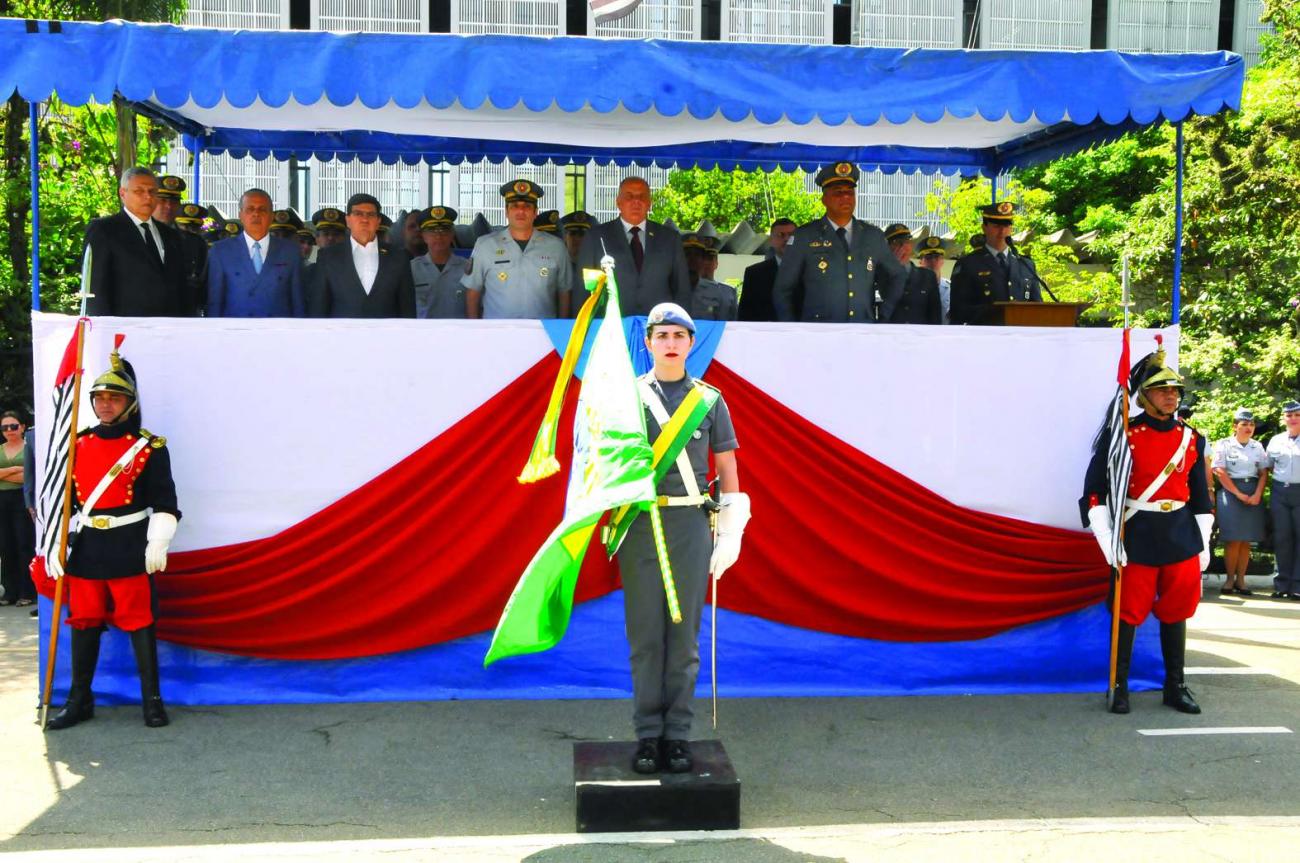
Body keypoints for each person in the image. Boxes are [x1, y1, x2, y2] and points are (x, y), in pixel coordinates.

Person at [619, 303, 750, 774]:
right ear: (648, 343)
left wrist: (732, 523)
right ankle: (647, 735)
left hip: (691, 525)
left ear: (691, 343)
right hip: (640, 525)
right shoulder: (628, 398)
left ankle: (678, 735)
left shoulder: (710, 401)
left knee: (684, 638)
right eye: (662, 335)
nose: (671, 343)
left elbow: (728, 466)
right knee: (646, 637)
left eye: (679, 335)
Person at [46, 345, 181, 730]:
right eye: (99, 398)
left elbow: (166, 500)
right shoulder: (77, 444)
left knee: (140, 621)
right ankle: (79, 700)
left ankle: (152, 701)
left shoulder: (150, 447)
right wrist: (57, 541)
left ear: (129, 403)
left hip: (128, 546)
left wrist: (158, 540)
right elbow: (64, 502)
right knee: (85, 620)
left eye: (114, 397)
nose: (105, 405)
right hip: (87, 547)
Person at [1082, 345, 1214, 714]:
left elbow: (1201, 497)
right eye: (1162, 390)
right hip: (1137, 533)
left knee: (1177, 611)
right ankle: (1119, 685)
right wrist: (1108, 539)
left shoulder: (1192, 437)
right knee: (1128, 613)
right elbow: (1095, 491)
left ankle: (1175, 685)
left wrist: (1202, 542)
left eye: (1175, 391)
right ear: (1144, 396)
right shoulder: (1123, 435)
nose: (1171, 396)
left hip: (1180, 534)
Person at [772, 162, 904, 323]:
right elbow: (782, 290)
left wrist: (883, 315)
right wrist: (793, 331)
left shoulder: (872, 236)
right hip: (819, 334)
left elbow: (898, 275)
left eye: (850, 192)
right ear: (824, 199)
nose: (846, 197)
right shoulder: (805, 236)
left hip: (862, 331)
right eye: (838, 192)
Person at [574, 177, 691, 316]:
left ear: (649, 203)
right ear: (618, 202)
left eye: (642, 196)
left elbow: (682, 290)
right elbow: (582, 290)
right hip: (609, 329)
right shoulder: (596, 237)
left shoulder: (670, 239)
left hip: (659, 329)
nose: (636, 201)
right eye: (629, 196)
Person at [84, 167, 191, 317]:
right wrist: (104, 331)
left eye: (152, 192)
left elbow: (181, 288)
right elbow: (96, 287)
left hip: (168, 329)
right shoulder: (105, 230)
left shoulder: (171, 235)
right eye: (139, 191)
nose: (147, 197)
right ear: (123, 193)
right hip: (126, 329)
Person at [462, 180, 572, 319]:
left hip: (542, 333)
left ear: (535, 212)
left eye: (527, 206)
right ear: (506, 211)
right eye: (514, 206)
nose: (521, 211)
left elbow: (564, 293)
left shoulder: (556, 247)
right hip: (497, 334)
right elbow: (473, 292)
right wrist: (476, 332)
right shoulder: (485, 245)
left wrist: (561, 332)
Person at [308, 193, 416, 318]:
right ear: (348, 220)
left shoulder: (398, 257)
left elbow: (407, 310)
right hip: (341, 336)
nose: (364, 219)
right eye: (358, 214)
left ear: (378, 221)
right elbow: (318, 308)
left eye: (370, 215)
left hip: (386, 335)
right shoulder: (328, 257)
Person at [207, 189, 306, 318]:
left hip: (278, 334)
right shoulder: (221, 251)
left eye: (262, 209)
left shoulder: (290, 252)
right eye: (250, 209)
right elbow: (215, 303)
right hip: (236, 333)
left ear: (271, 217)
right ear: (241, 216)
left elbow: (298, 303)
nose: (256, 214)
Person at [949, 201, 1041, 325]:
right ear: (984, 228)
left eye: (1006, 225)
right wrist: (995, 311)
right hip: (986, 336)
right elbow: (957, 311)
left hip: (1021, 337)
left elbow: (1038, 307)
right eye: (996, 226)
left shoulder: (1025, 264)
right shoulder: (968, 264)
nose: (1002, 231)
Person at [1213, 409, 1269, 596]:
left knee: (1245, 540)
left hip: (1252, 491)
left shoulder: (1257, 446)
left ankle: (1241, 580)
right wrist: (1238, 494)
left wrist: (1257, 494)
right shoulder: (1224, 444)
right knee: (1233, 539)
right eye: (1244, 424)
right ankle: (1229, 579)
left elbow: (1263, 473)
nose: (1248, 428)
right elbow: (1219, 471)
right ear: (1235, 426)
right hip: (1231, 492)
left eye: (1251, 424)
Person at [0, 411, 36, 608]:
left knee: (24, 545)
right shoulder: (0, 449)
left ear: (22, 427)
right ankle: (9, 591)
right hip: (2, 500)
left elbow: (28, 477)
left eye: (13, 426)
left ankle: (27, 592)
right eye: (5, 427)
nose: (9, 431)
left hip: (22, 500)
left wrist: (4, 473)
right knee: (5, 546)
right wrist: (17, 469)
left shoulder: (29, 448)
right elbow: (22, 473)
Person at [1266, 400, 1300, 601]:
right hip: (1280, 491)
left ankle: (1297, 585)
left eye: (1297, 415)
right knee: (1282, 538)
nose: (1293, 419)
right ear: (1284, 418)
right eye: (1289, 415)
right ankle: (1282, 584)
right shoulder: (1276, 441)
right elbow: (1268, 467)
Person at [410, 206, 468, 319]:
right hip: (423, 333)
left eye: (444, 231)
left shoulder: (467, 268)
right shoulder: (411, 269)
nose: (438, 236)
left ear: (452, 235)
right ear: (423, 236)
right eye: (432, 231)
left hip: (458, 333)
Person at [883, 224, 943, 325]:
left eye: (906, 242)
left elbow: (935, 317)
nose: (902, 247)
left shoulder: (928, 277)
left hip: (920, 337)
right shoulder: (879, 275)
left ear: (911, 245)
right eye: (896, 243)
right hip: (890, 337)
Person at [739, 217, 795, 321]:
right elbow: (745, 314)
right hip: (766, 334)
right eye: (781, 235)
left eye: (791, 235)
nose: (786, 239)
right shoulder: (755, 274)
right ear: (771, 240)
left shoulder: (811, 271)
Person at [683, 234, 737, 321]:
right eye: (687, 255)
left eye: (697, 255)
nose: (692, 259)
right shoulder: (667, 290)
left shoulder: (717, 293)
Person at [915, 235, 951, 324]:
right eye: (928, 257)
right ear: (920, 262)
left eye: (937, 257)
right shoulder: (914, 289)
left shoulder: (951, 289)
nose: (933, 261)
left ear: (942, 261)